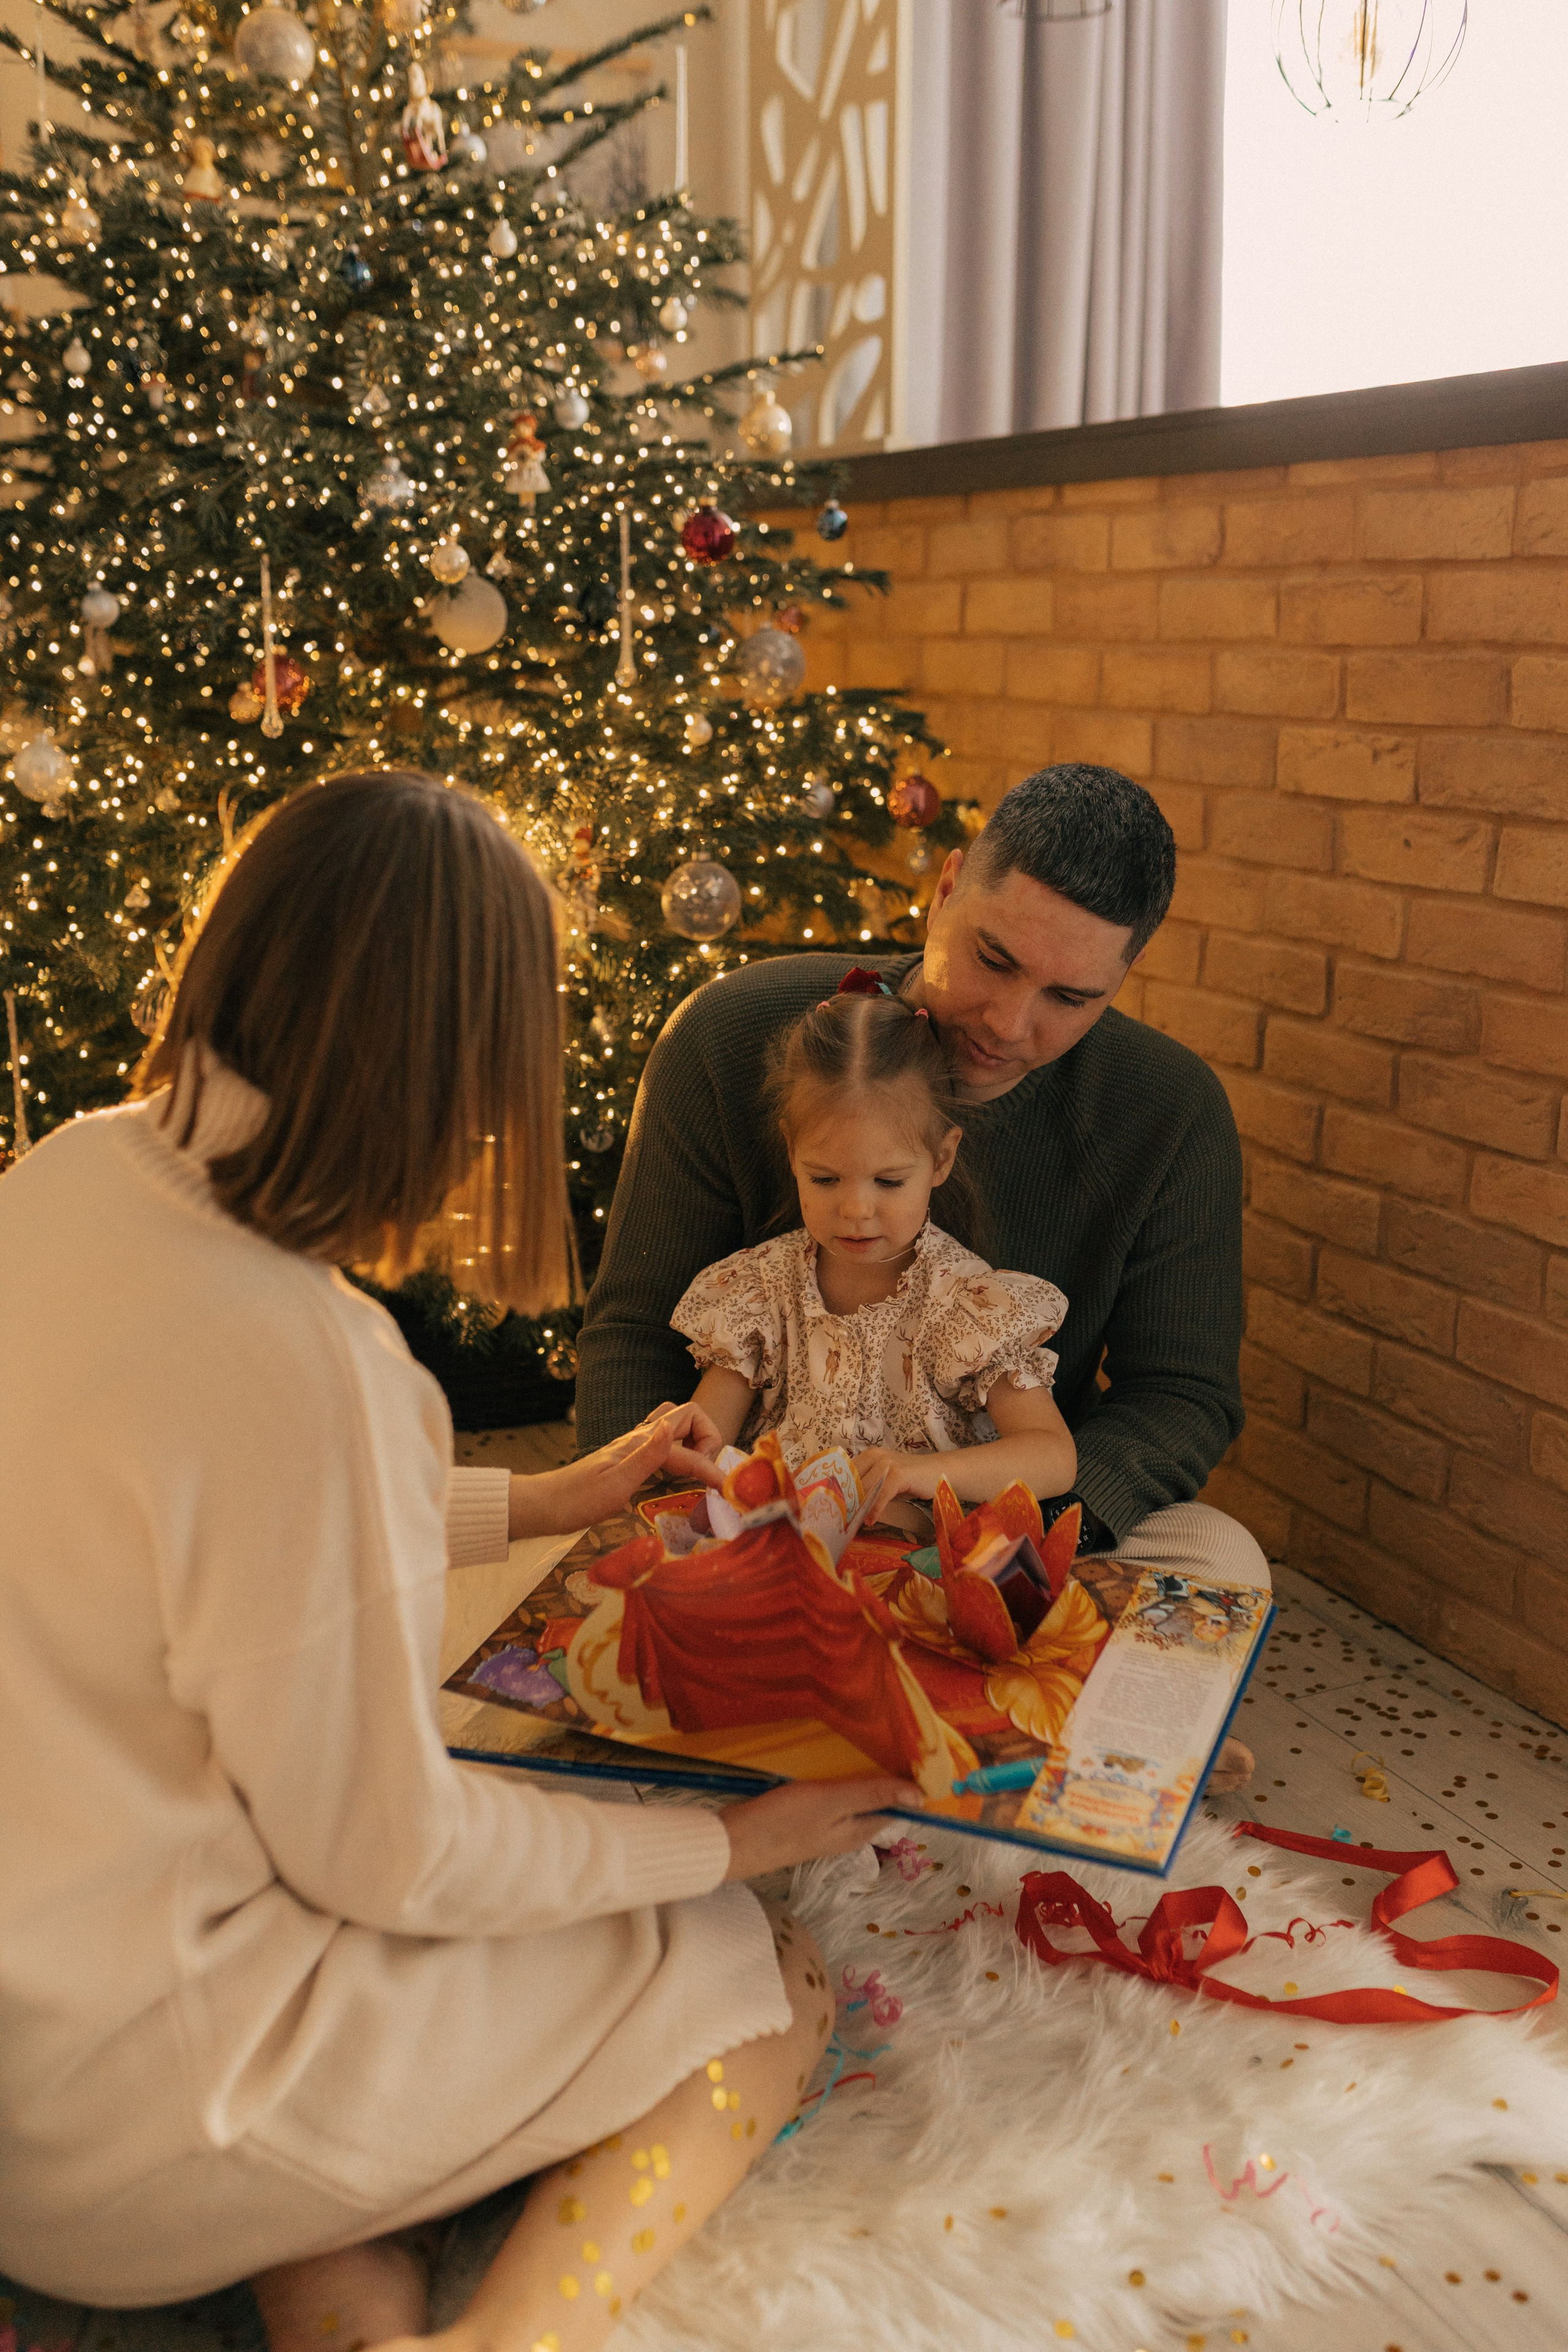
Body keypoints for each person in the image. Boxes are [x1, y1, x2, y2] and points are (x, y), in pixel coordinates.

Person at [0, 769, 918, 2352]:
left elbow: (198, 1519)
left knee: (489, 1962)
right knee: (755, 1978)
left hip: (33, 2044)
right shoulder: (307, 1356)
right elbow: (392, 1857)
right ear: (454, 1059)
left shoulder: (69, 1174)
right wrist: (733, 1849)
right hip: (144, 2100)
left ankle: (354, 2319)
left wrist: (552, 1503)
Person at [579, 761, 1269, 1603]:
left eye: (1070, 997)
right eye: (994, 959)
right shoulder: (729, 1035)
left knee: (1220, 1556)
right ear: (947, 887)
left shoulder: (1171, 1108)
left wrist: (1013, 1548)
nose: (1008, 1025)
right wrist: (681, 1522)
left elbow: (1180, 1395)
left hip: (1013, 1511)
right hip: (757, 1514)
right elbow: (632, 1337)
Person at [672, 971, 1077, 1526]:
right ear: (792, 1152)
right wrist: (681, 1440)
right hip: (775, 1556)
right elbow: (706, 1439)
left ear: (941, 1159)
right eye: (824, 1179)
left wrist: (918, 1474)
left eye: (888, 1182)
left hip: (916, 1568)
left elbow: (1052, 1456)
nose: (856, 1211)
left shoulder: (972, 1308)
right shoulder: (759, 1291)